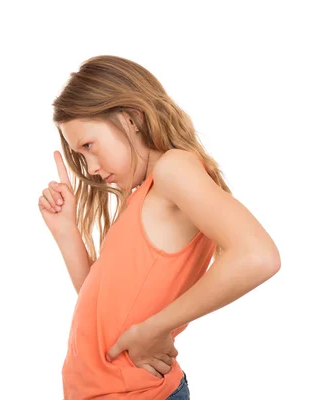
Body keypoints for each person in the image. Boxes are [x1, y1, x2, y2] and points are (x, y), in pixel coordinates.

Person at [39, 56, 280, 399]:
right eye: (80, 156)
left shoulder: (173, 169)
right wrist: (66, 231)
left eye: (89, 146)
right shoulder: (143, 194)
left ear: (131, 119)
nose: (90, 168)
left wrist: (156, 329)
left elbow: (258, 256)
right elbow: (104, 310)